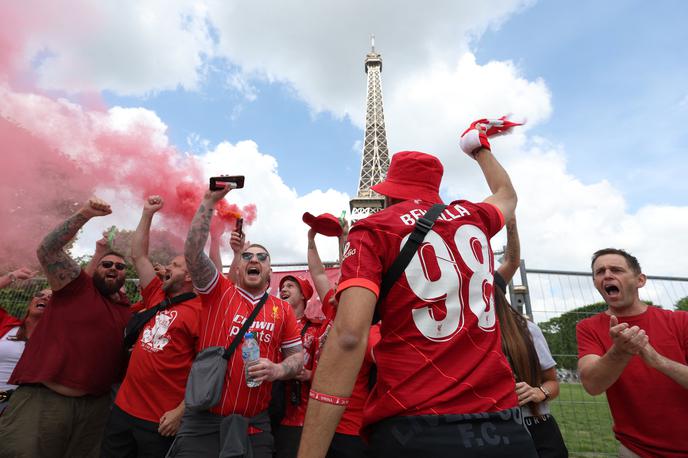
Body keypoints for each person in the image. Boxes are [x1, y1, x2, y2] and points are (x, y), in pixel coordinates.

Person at [299, 123, 537, 457]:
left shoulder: (373, 228)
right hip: (502, 424)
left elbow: (349, 336)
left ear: (389, 191)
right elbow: (507, 196)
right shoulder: (474, 218)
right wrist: (478, 147)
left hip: (416, 424)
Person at [167, 185, 304, 457]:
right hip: (204, 421)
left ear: (269, 272)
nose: (254, 259)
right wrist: (208, 202)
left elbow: (297, 358)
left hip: (254, 425)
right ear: (239, 267)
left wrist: (278, 370)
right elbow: (193, 255)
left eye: (262, 257)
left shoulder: (283, 310)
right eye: (247, 256)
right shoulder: (219, 291)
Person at [0, 196, 132, 458]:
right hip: (43, 403)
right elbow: (48, 251)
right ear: (95, 270)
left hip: (95, 411)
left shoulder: (128, 312)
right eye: (107, 264)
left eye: (120, 267)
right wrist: (84, 215)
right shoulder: (76, 289)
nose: (113, 268)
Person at [101, 195, 203, 458]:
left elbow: (208, 370)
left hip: (160, 422)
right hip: (122, 411)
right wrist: (147, 213)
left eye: (175, 265)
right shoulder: (157, 296)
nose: (166, 267)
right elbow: (139, 255)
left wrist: (182, 411)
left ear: (190, 275)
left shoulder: (202, 312)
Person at [577, 248, 688, 457]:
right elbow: (592, 385)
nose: (607, 275)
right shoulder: (588, 327)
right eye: (600, 272)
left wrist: (659, 361)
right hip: (636, 450)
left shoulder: (680, 321)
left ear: (640, 280)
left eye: (616, 269)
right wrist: (619, 352)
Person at [494, 218, 568, 457]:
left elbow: (552, 382)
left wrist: (539, 393)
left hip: (536, 426)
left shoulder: (525, 329)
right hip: (488, 428)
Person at [306, 223, 380, 458]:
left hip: (350, 433)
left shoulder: (368, 331)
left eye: (347, 286)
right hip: (320, 426)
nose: (338, 287)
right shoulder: (330, 309)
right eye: (339, 284)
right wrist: (311, 240)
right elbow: (318, 273)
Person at [274, 273, 320, 458]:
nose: (283, 289)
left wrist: (309, 375)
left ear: (303, 295)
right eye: (282, 287)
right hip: (266, 415)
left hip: (302, 419)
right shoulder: (271, 326)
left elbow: (331, 374)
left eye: (290, 286)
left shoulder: (315, 330)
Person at [0, 268, 49, 414]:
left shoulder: (56, 338)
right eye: (40, 294)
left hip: (20, 409)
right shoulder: (7, 324)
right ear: (30, 303)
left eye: (51, 298)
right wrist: (12, 276)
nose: (44, 298)